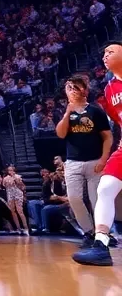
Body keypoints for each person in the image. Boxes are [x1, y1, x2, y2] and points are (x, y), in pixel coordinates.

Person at [73, 42, 122, 266]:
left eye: (110, 51)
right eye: (103, 53)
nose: (105, 55)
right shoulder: (110, 89)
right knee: (105, 187)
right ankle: (101, 244)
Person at [56, 74, 113, 246]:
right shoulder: (66, 112)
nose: (72, 91)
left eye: (76, 87)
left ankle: (101, 234)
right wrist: (67, 113)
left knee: (97, 200)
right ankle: (89, 231)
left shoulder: (96, 111)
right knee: (74, 198)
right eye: (70, 87)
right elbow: (60, 133)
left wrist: (104, 158)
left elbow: (108, 137)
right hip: (73, 162)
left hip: (94, 161)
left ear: (85, 91)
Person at [2, 165, 29, 235]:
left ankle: (26, 228)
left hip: (17, 194)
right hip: (10, 194)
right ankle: (18, 228)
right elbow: (4, 185)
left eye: (12, 170)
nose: (11, 171)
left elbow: (22, 186)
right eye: (9, 170)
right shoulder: (5, 178)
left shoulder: (18, 177)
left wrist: (16, 179)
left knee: (20, 211)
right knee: (12, 211)